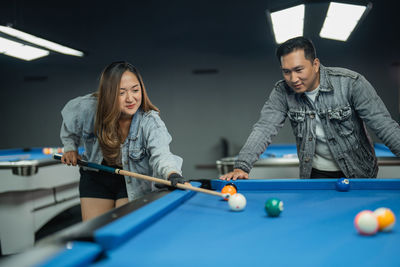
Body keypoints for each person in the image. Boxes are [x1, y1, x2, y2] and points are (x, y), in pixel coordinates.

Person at [220, 36, 400, 181]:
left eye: (299, 69)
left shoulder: (351, 83)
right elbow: (264, 128)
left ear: (315, 64)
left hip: (360, 172)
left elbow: (384, 126)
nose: (293, 78)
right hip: (316, 174)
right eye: (286, 71)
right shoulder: (282, 91)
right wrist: (241, 166)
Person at [60, 61, 185, 221]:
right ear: (109, 94)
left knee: (122, 225)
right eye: (121, 93)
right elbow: (70, 126)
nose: (130, 98)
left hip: (132, 180)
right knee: (94, 231)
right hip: (95, 175)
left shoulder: (150, 121)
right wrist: (70, 147)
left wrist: (172, 173)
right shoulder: (88, 108)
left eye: (135, 90)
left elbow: (161, 154)